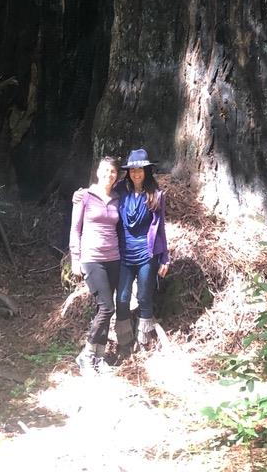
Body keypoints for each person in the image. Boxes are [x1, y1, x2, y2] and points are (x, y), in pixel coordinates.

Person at [113, 148, 170, 357]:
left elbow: (161, 228)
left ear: (146, 171)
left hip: (147, 254)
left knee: (145, 296)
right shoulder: (120, 191)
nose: (136, 173)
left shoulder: (156, 195)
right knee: (123, 297)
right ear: (128, 172)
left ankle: (144, 340)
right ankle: (124, 342)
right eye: (132, 170)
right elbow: (99, 193)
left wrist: (165, 257)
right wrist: (81, 194)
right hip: (123, 254)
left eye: (140, 170)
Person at [69, 156, 121, 374]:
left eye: (113, 171)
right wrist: (75, 258)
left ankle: (99, 358)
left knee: (106, 309)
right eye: (106, 170)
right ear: (98, 171)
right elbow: (75, 228)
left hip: (114, 259)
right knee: (107, 307)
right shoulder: (85, 197)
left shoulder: (118, 198)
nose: (109, 174)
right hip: (92, 258)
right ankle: (86, 355)